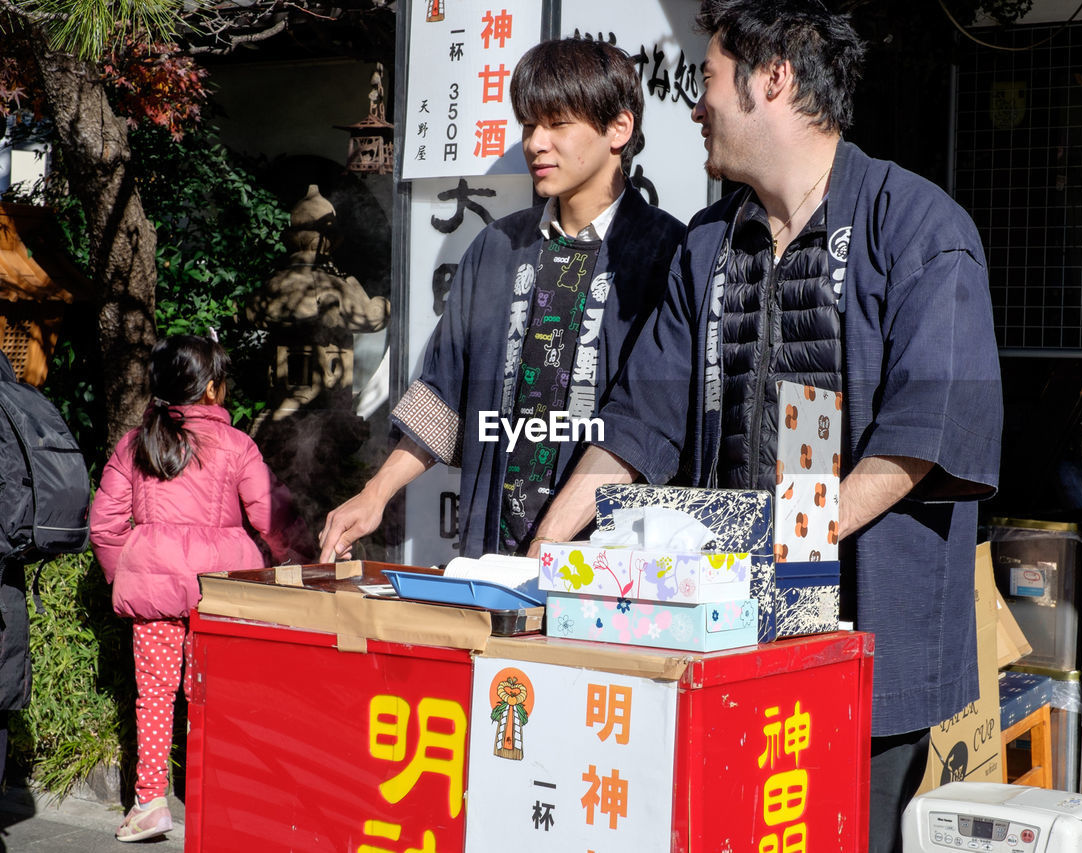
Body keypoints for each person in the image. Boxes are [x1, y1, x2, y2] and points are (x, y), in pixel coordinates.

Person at [530, 3, 1003, 851]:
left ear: (772, 79)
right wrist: (545, 552)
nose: (696, 103)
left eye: (708, 79)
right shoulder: (711, 242)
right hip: (725, 628)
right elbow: (641, 419)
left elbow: (922, 431)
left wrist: (784, 536)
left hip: (864, 636)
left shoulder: (922, 227)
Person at [317, 38, 685, 562]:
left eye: (558, 124)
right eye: (529, 124)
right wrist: (375, 493)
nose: (536, 143)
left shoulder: (667, 254)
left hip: (613, 566)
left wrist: (554, 541)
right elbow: (443, 392)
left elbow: (650, 420)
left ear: (618, 130)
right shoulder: (497, 248)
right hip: (496, 553)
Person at [89, 335, 311, 843]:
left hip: (156, 597)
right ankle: (220, 792)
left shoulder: (135, 443)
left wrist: (133, 571)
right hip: (223, 592)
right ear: (213, 389)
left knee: (155, 696)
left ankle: (150, 804)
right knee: (216, 694)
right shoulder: (237, 446)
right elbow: (272, 515)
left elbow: (104, 526)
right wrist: (300, 564)